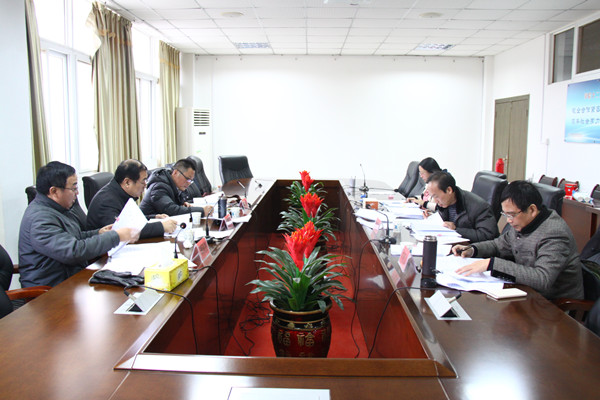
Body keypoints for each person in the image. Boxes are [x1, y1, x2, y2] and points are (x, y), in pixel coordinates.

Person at [453, 180, 584, 300]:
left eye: (511, 214)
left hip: (553, 304)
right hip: (526, 292)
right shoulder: (523, 222)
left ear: (532, 209)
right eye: (505, 214)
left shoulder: (554, 233)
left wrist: (492, 264)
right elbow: (498, 245)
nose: (508, 220)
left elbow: (543, 278)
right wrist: (472, 249)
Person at [18, 161, 140, 287]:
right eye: (73, 188)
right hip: (51, 289)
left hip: (71, 277)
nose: (77, 193)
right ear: (54, 191)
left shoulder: (58, 208)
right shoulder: (40, 220)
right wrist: (116, 236)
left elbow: (74, 236)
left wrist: (99, 233)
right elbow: (73, 252)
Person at [87, 159, 178, 238]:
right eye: (143, 181)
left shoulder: (121, 193)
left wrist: (154, 217)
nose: (145, 185)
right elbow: (122, 231)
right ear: (127, 182)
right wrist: (161, 227)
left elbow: (130, 220)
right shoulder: (106, 202)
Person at [426, 171, 498, 242]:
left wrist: (456, 229)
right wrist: (432, 217)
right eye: (432, 197)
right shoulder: (445, 202)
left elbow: (487, 235)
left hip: (469, 247)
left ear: (449, 190)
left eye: (436, 196)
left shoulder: (479, 206)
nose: (435, 201)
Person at [140, 159, 213, 217]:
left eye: (191, 180)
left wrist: (181, 204)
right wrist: (202, 211)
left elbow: (174, 204)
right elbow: (172, 211)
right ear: (175, 173)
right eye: (187, 179)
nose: (189, 183)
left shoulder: (172, 184)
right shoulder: (158, 187)